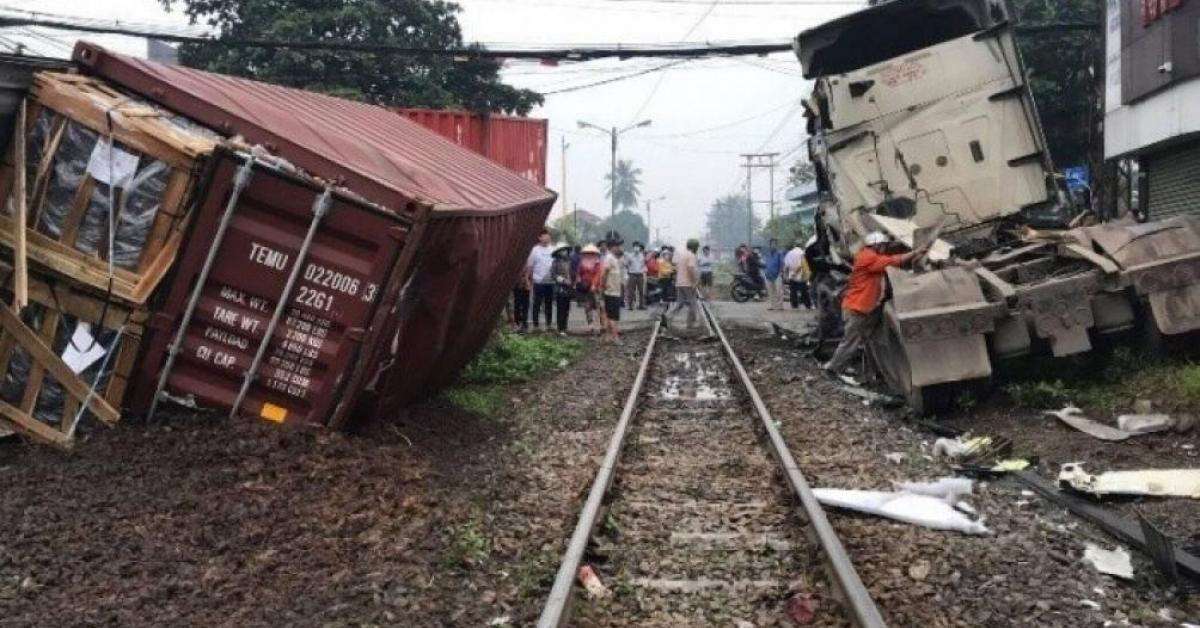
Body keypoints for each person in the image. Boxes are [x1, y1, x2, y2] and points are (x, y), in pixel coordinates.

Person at [824, 232, 916, 376]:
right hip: (857, 308)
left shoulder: (866, 255)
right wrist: (915, 253)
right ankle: (833, 368)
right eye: (884, 246)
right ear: (877, 245)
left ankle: (867, 369)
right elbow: (892, 261)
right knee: (851, 341)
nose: (885, 249)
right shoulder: (868, 257)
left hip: (862, 308)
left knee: (866, 337)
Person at [665, 239, 702, 330]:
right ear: (694, 247)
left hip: (679, 283)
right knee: (693, 304)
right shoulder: (691, 256)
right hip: (688, 284)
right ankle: (690, 324)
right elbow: (690, 269)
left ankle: (667, 317)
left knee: (680, 303)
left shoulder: (682, 255)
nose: (697, 249)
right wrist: (695, 282)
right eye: (697, 247)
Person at [526, 228, 555, 331]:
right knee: (537, 303)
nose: (547, 237)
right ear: (539, 237)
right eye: (544, 235)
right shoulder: (534, 250)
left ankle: (549, 324)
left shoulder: (553, 249)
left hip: (550, 281)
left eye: (548, 235)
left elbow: (555, 264)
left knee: (549, 304)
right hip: (538, 281)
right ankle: (535, 325)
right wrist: (528, 280)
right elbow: (530, 266)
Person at [598, 239, 625, 343]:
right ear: (612, 247)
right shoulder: (609, 258)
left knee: (612, 315)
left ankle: (608, 337)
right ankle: (615, 337)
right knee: (612, 316)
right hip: (610, 291)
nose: (619, 248)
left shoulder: (614, 258)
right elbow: (604, 274)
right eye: (617, 246)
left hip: (615, 291)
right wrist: (603, 287)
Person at [576, 244, 603, 329]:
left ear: (595, 254)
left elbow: (598, 275)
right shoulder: (582, 262)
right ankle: (590, 324)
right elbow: (579, 273)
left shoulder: (598, 263)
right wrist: (579, 279)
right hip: (585, 286)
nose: (589, 254)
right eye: (587, 253)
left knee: (599, 305)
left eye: (591, 253)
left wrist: (594, 285)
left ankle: (602, 324)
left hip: (595, 287)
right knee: (587, 306)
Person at [551, 244, 574, 335]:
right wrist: (563, 280)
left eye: (565, 250)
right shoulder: (555, 262)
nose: (564, 252)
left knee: (567, 308)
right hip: (560, 287)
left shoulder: (569, 261)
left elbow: (572, 273)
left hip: (568, 288)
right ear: (558, 252)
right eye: (562, 250)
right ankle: (560, 329)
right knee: (561, 308)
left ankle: (565, 327)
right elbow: (553, 275)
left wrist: (572, 280)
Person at [784, 239, 812, 310]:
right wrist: (795, 273)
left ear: (794, 246)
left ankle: (794, 306)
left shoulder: (789, 253)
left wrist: (786, 275)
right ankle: (807, 306)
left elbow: (786, 266)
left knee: (793, 292)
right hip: (800, 276)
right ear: (801, 246)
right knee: (804, 291)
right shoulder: (802, 253)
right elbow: (800, 265)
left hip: (791, 276)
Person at [764, 238, 785, 311]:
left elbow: (782, 264)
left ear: (777, 245)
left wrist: (780, 272)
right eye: (772, 244)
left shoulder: (779, 253)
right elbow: (766, 264)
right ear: (770, 245)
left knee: (779, 291)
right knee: (770, 291)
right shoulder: (767, 254)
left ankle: (780, 306)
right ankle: (772, 305)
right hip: (768, 275)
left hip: (777, 275)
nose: (773, 245)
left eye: (775, 244)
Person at [625, 241, 647, 310]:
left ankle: (641, 305)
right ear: (633, 247)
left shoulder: (642, 255)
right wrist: (629, 271)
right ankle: (630, 305)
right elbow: (626, 264)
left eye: (638, 246)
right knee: (631, 291)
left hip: (640, 274)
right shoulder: (630, 255)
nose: (637, 247)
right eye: (635, 246)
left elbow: (643, 264)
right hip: (632, 274)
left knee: (641, 291)